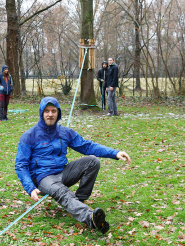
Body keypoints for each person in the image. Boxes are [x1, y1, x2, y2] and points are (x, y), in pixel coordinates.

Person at [15, 97, 131, 234]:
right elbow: (20, 165)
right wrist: (30, 188)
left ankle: (79, 200)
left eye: (53, 111)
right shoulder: (29, 136)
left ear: (58, 113)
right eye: (47, 111)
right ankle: (91, 218)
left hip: (63, 172)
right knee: (62, 192)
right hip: (43, 179)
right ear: (41, 113)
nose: (50, 114)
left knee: (93, 161)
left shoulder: (64, 132)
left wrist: (115, 153)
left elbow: (87, 146)